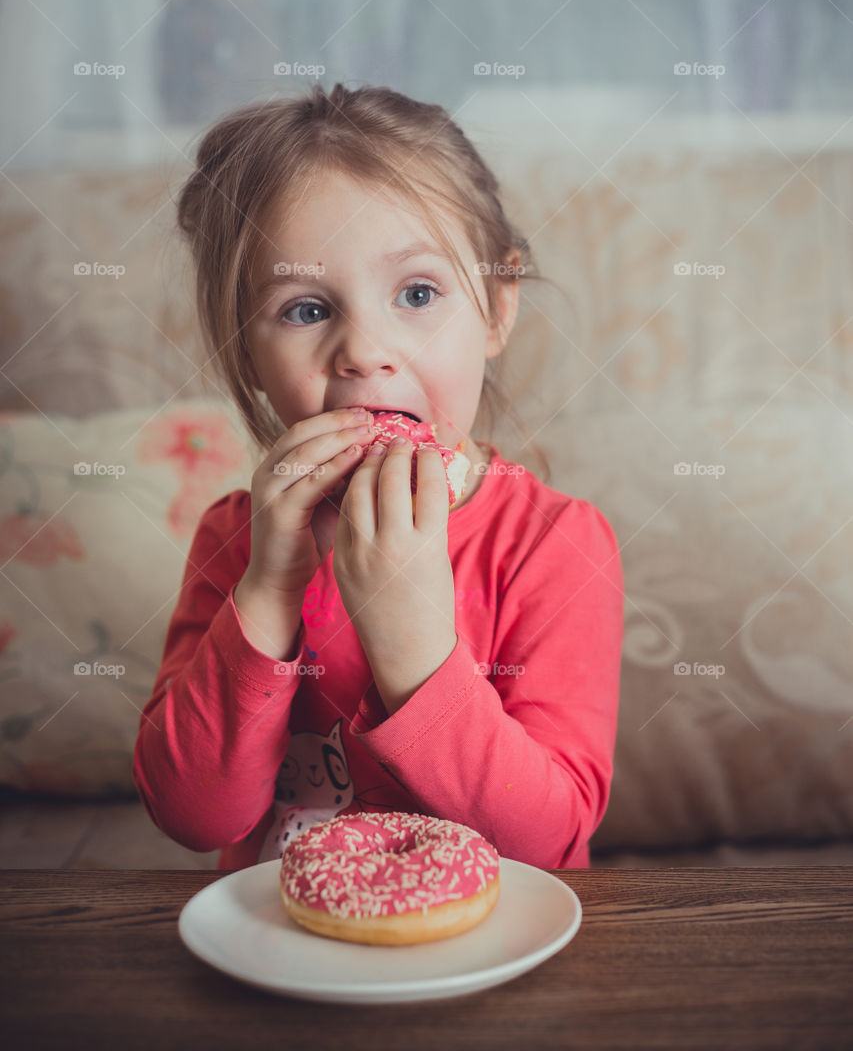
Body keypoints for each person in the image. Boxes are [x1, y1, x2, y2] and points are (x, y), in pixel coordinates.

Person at [132, 82, 624, 872]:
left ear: (496, 312)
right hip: (284, 947)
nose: (363, 350)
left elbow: (547, 844)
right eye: (304, 309)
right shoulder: (237, 538)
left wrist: (413, 643)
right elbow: (191, 814)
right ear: (246, 357)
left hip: (485, 947)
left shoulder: (555, 544)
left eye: (417, 293)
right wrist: (268, 587)